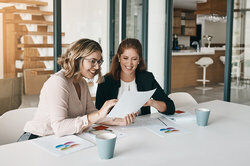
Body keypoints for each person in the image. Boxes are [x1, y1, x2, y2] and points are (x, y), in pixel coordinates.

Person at [18, 38, 117, 141]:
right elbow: (59, 127)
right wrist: (98, 114)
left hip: (60, 139)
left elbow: (91, 112)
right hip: (37, 138)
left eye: (99, 62)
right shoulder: (58, 82)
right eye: (93, 61)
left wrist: (118, 121)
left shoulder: (81, 82)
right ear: (77, 59)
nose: (97, 67)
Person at [95, 38, 175, 126]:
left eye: (134, 59)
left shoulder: (147, 78)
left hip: (141, 128)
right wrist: (117, 121)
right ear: (119, 58)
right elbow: (97, 115)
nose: (129, 64)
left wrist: (152, 102)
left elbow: (170, 107)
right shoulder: (105, 81)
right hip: (114, 129)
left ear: (139, 60)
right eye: (125, 58)